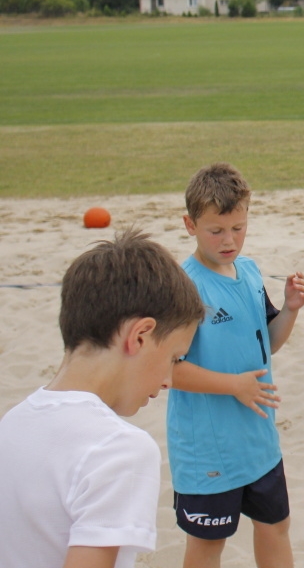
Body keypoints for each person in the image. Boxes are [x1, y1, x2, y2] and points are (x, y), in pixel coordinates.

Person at [0, 229, 203, 568]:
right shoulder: (119, 449)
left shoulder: (13, 423)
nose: (169, 380)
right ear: (139, 336)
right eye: (173, 358)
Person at [169, 163, 304, 568]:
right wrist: (234, 386)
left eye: (239, 228)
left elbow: (269, 344)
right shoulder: (184, 287)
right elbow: (168, 371)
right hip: (208, 452)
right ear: (190, 225)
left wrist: (291, 310)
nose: (229, 240)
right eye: (216, 230)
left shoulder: (249, 272)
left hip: (259, 442)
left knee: (275, 527)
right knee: (208, 546)